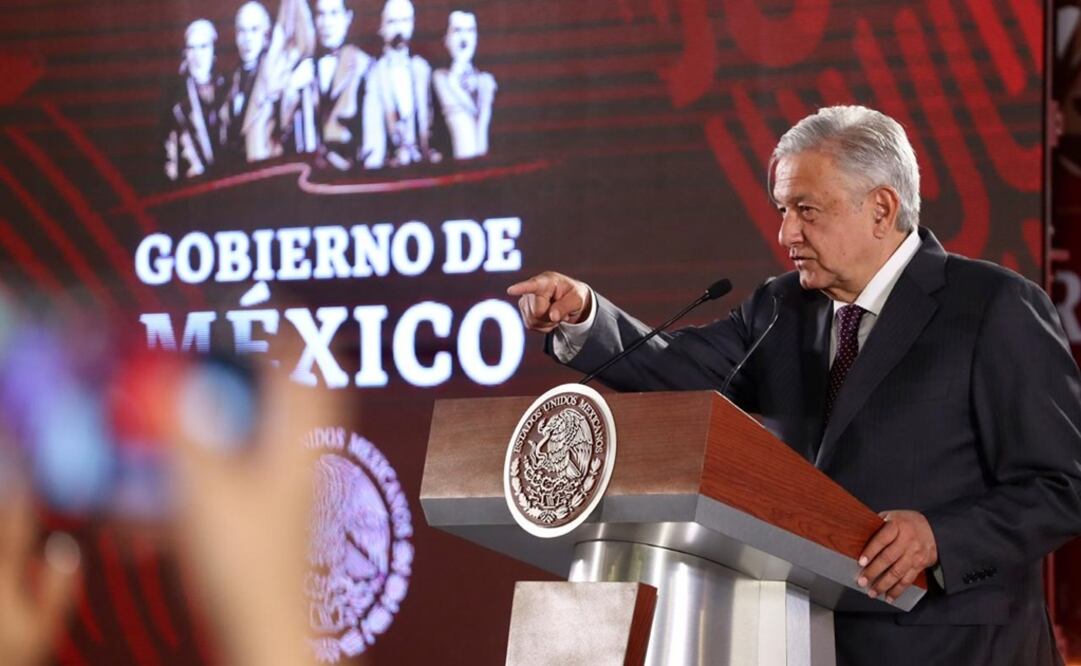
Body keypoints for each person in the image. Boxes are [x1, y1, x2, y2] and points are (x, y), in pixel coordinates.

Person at [508, 105, 1081, 665]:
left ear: (881, 208)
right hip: (804, 642)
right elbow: (676, 368)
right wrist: (584, 313)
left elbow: (1062, 485)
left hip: (958, 646)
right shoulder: (781, 307)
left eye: (806, 210)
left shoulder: (992, 306)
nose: (786, 232)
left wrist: (940, 539)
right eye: (783, 209)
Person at [275, 0, 377, 170]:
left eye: (334, 13)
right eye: (321, 14)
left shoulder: (364, 66)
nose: (327, 23)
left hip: (350, 176)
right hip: (309, 177)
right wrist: (291, 90)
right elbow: (282, 133)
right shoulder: (304, 69)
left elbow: (373, 142)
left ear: (347, 18)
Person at [365, 0, 438, 167]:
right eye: (392, 22)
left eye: (405, 21)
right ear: (380, 27)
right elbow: (372, 137)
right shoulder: (374, 74)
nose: (399, 29)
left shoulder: (422, 70)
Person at [164, 19, 228, 181]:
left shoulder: (228, 89)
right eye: (191, 48)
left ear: (214, 50)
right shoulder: (175, 99)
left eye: (203, 47)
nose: (197, 55)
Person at [431, 10, 496, 160]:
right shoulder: (438, 78)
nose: (464, 38)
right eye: (457, 31)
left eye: (470, 31)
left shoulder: (486, 81)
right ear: (445, 38)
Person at [222, 1, 272, 166]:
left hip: (266, 175)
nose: (247, 38)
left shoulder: (276, 78)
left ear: (266, 34)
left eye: (254, 30)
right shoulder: (229, 81)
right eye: (242, 31)